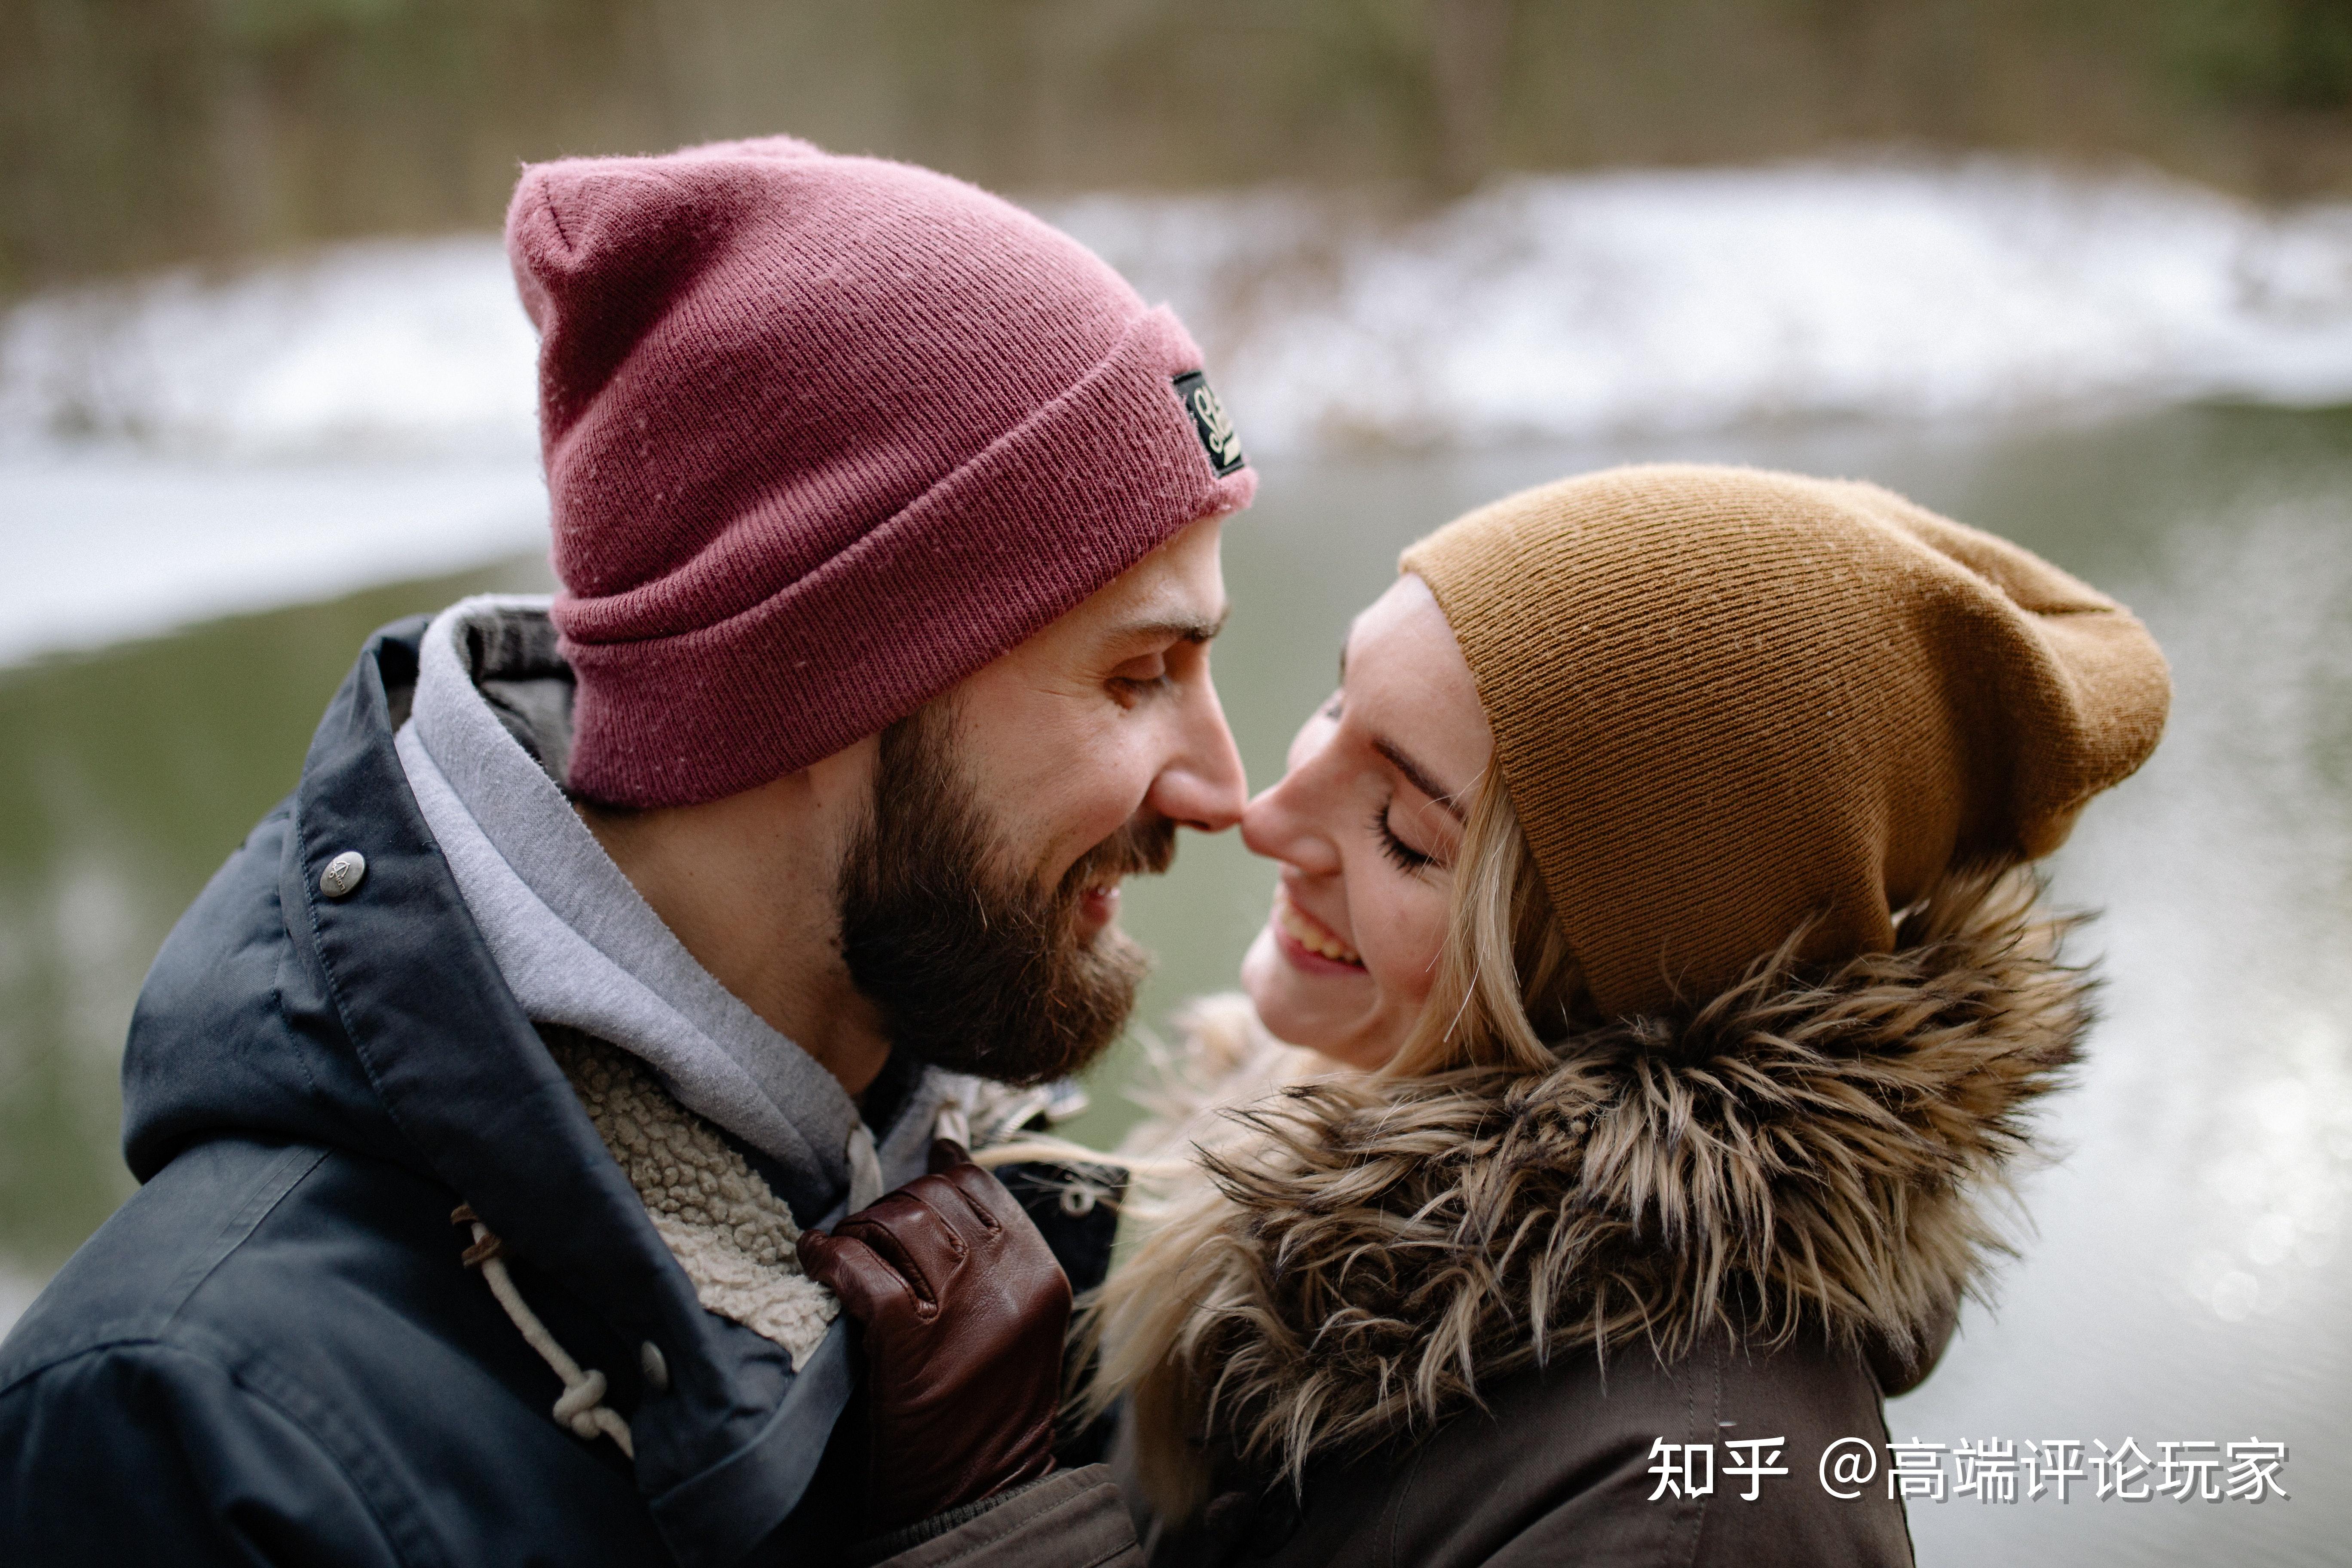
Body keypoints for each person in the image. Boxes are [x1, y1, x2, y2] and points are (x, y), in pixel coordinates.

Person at [0, 136, 1257, 1565]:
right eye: (1141, 672)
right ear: (820, 676)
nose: (1227, 785)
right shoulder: (193, 1434)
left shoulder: (1005, 1222)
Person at [1080, 464, 2172, 1565]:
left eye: (1406, 832)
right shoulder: (1306, 1107)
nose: (1265, 816)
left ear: (1606, 977)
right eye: (1335, 704)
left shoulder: (1693, 1512)